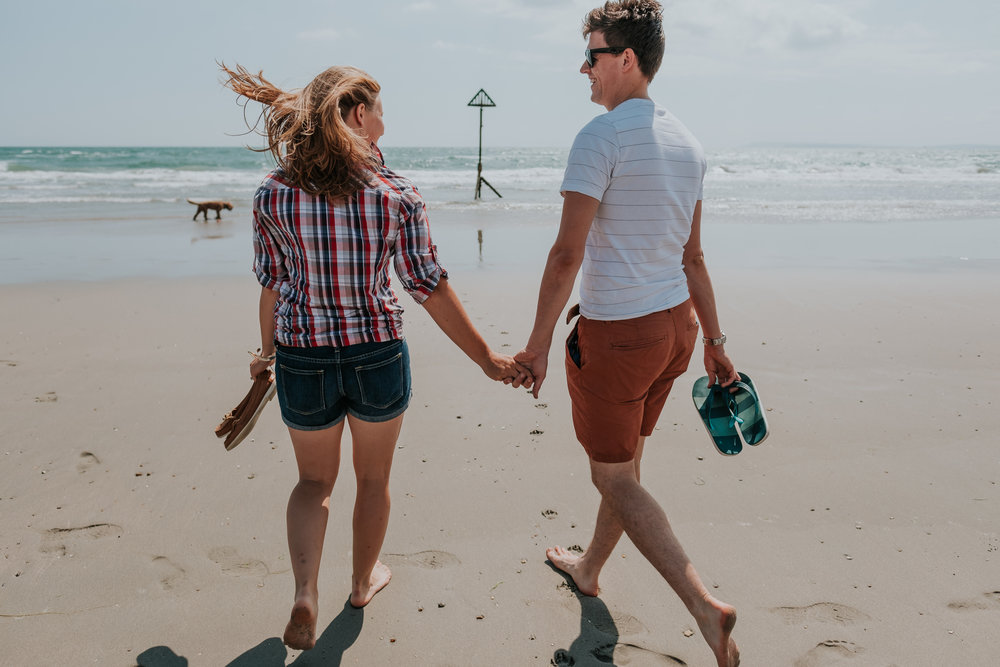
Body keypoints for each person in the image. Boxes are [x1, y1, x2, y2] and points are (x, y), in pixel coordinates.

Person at [221, 63, 531, 651]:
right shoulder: (395, 193)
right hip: (377, 356)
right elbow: (428, 286)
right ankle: (362, 583)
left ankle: (305, 593)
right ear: (359, 115)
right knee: (373, 477)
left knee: (313, 481)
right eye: (381, 111)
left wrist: (265, 353)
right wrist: (488, 358)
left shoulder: (273, 193)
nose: (386, 122)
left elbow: (271, 283)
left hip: (303, 357)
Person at [513, 2, 740, 665]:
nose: (582, 66)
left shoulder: (601, 136)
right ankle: (588, 568)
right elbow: (693, 256)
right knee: (628, 463)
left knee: (613, 476)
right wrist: (716, 342)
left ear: (627, 60)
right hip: (676, 329)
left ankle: (705, 605)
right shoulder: (687, 141)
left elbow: (565, 256)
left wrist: (534, 346)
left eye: (592, 53)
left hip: (618, 336)